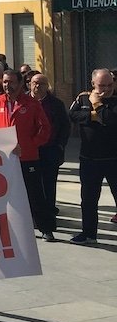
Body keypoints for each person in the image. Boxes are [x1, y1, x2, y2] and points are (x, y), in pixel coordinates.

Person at [0, 69, 55, 241]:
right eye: (5, 82)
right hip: (3, 159)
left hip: (27, 157)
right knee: (3, 194)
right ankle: (5, 229)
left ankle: (46, 228)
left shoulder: (31, 103)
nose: (7, 85)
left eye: (11, 82)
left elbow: (45, 129)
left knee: (35, 194)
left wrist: (30, 145)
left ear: (21, 84)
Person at [68, 68, 117, 245]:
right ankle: (88, 234)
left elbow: (111, 119)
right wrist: (93, 115)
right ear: (93, 84)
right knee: (88, 199)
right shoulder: (82, 98)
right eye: (102, 85)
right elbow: (73, 114)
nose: (106, 89)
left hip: (113, 159)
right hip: (89, 158)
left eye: (110, 85)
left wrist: (97, 104)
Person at [29, 73, 70, 218]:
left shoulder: (56, 104)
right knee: (31, 183)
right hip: (30, 150)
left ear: (47, 86)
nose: (37, 86)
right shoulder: (24, 102)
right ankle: (33, 212)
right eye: (34, 83)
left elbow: (65, 126)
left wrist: (60, 145)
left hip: (50, 149)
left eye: (41, 84)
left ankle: (49, 211)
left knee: (49, 182)